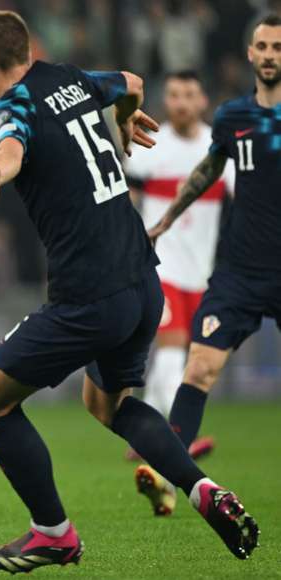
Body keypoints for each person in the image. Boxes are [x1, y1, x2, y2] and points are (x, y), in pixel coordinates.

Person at [0, 10, 259, 574]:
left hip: (88, 295)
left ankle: (53, 534)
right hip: (142, 279)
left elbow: (10, 144)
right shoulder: (71, 78)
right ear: (28, 48)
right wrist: (122, 120)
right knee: (108, 403)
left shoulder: (9, 107)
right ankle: (202, 491)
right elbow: (132, 82)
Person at [145, 14, 281, 519]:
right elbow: (208, 170)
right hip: (240, 271)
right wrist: (165, 221)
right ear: (250, 54)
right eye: (262, 46)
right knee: (198, 368)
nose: (269, 54)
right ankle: (167, 477)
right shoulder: (233, 117)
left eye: (278, 47)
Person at [123, 71, 234, 478]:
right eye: (173, 95)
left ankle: (144, 437)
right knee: (170, 350)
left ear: (202, 99)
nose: (181, 102)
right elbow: (126, 201)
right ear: (165, 101)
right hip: (160, 265)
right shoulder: (151, 148)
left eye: (189, 93)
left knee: (181, 354)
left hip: (202, 274)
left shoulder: (219, 147)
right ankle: (176, 439)